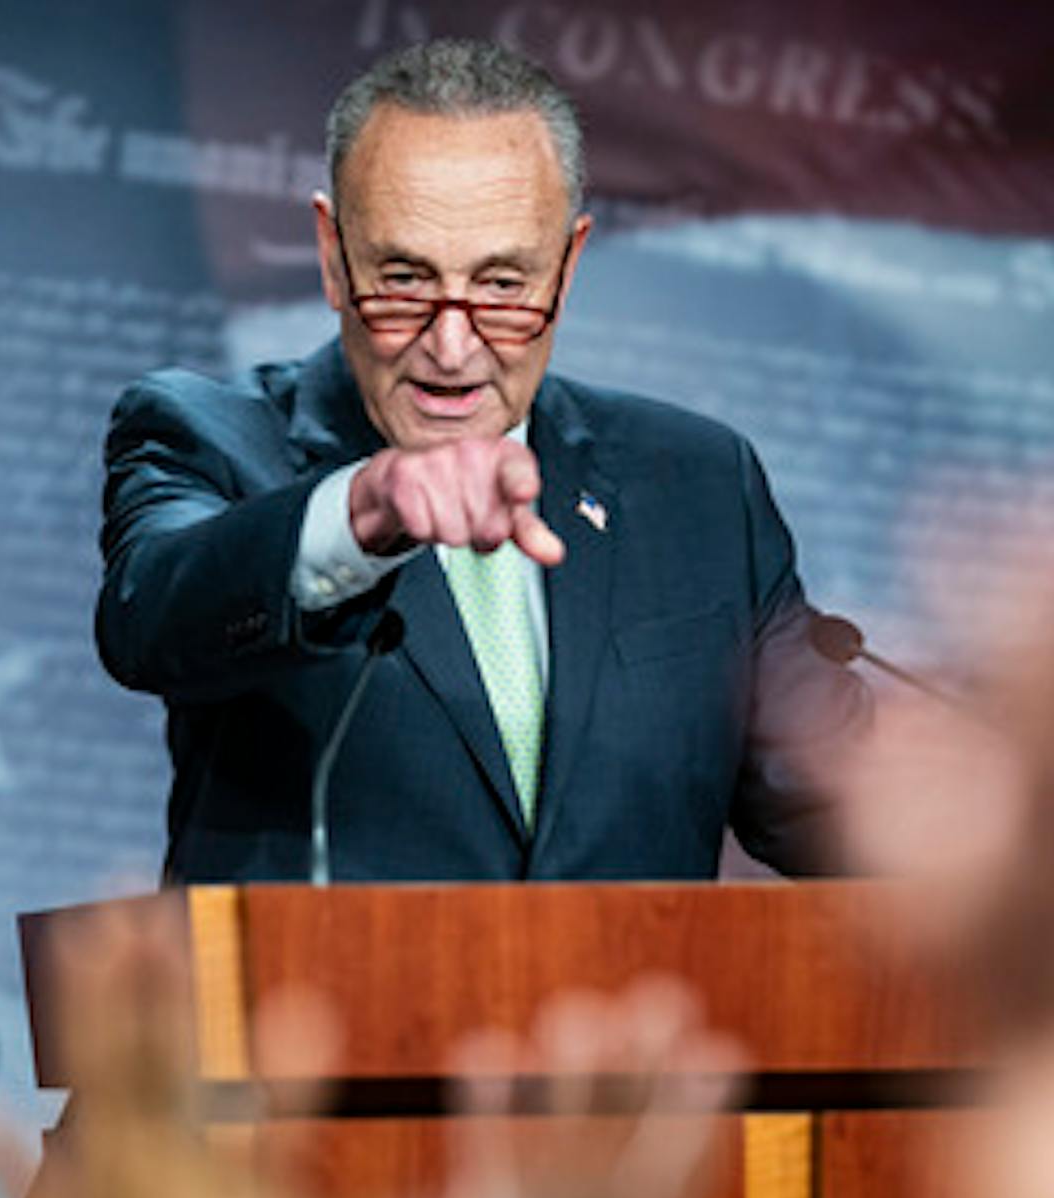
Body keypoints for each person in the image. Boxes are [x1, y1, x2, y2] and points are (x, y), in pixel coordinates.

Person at [94, 38, 865, 884]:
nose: (452, 348)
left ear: (568, 267)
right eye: (404, 279)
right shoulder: (207, 433)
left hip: (629, 1017)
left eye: (502, 285)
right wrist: (362, 511)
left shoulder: (699, 484)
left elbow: (856, 819)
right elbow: (152, 611)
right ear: (330, 255)